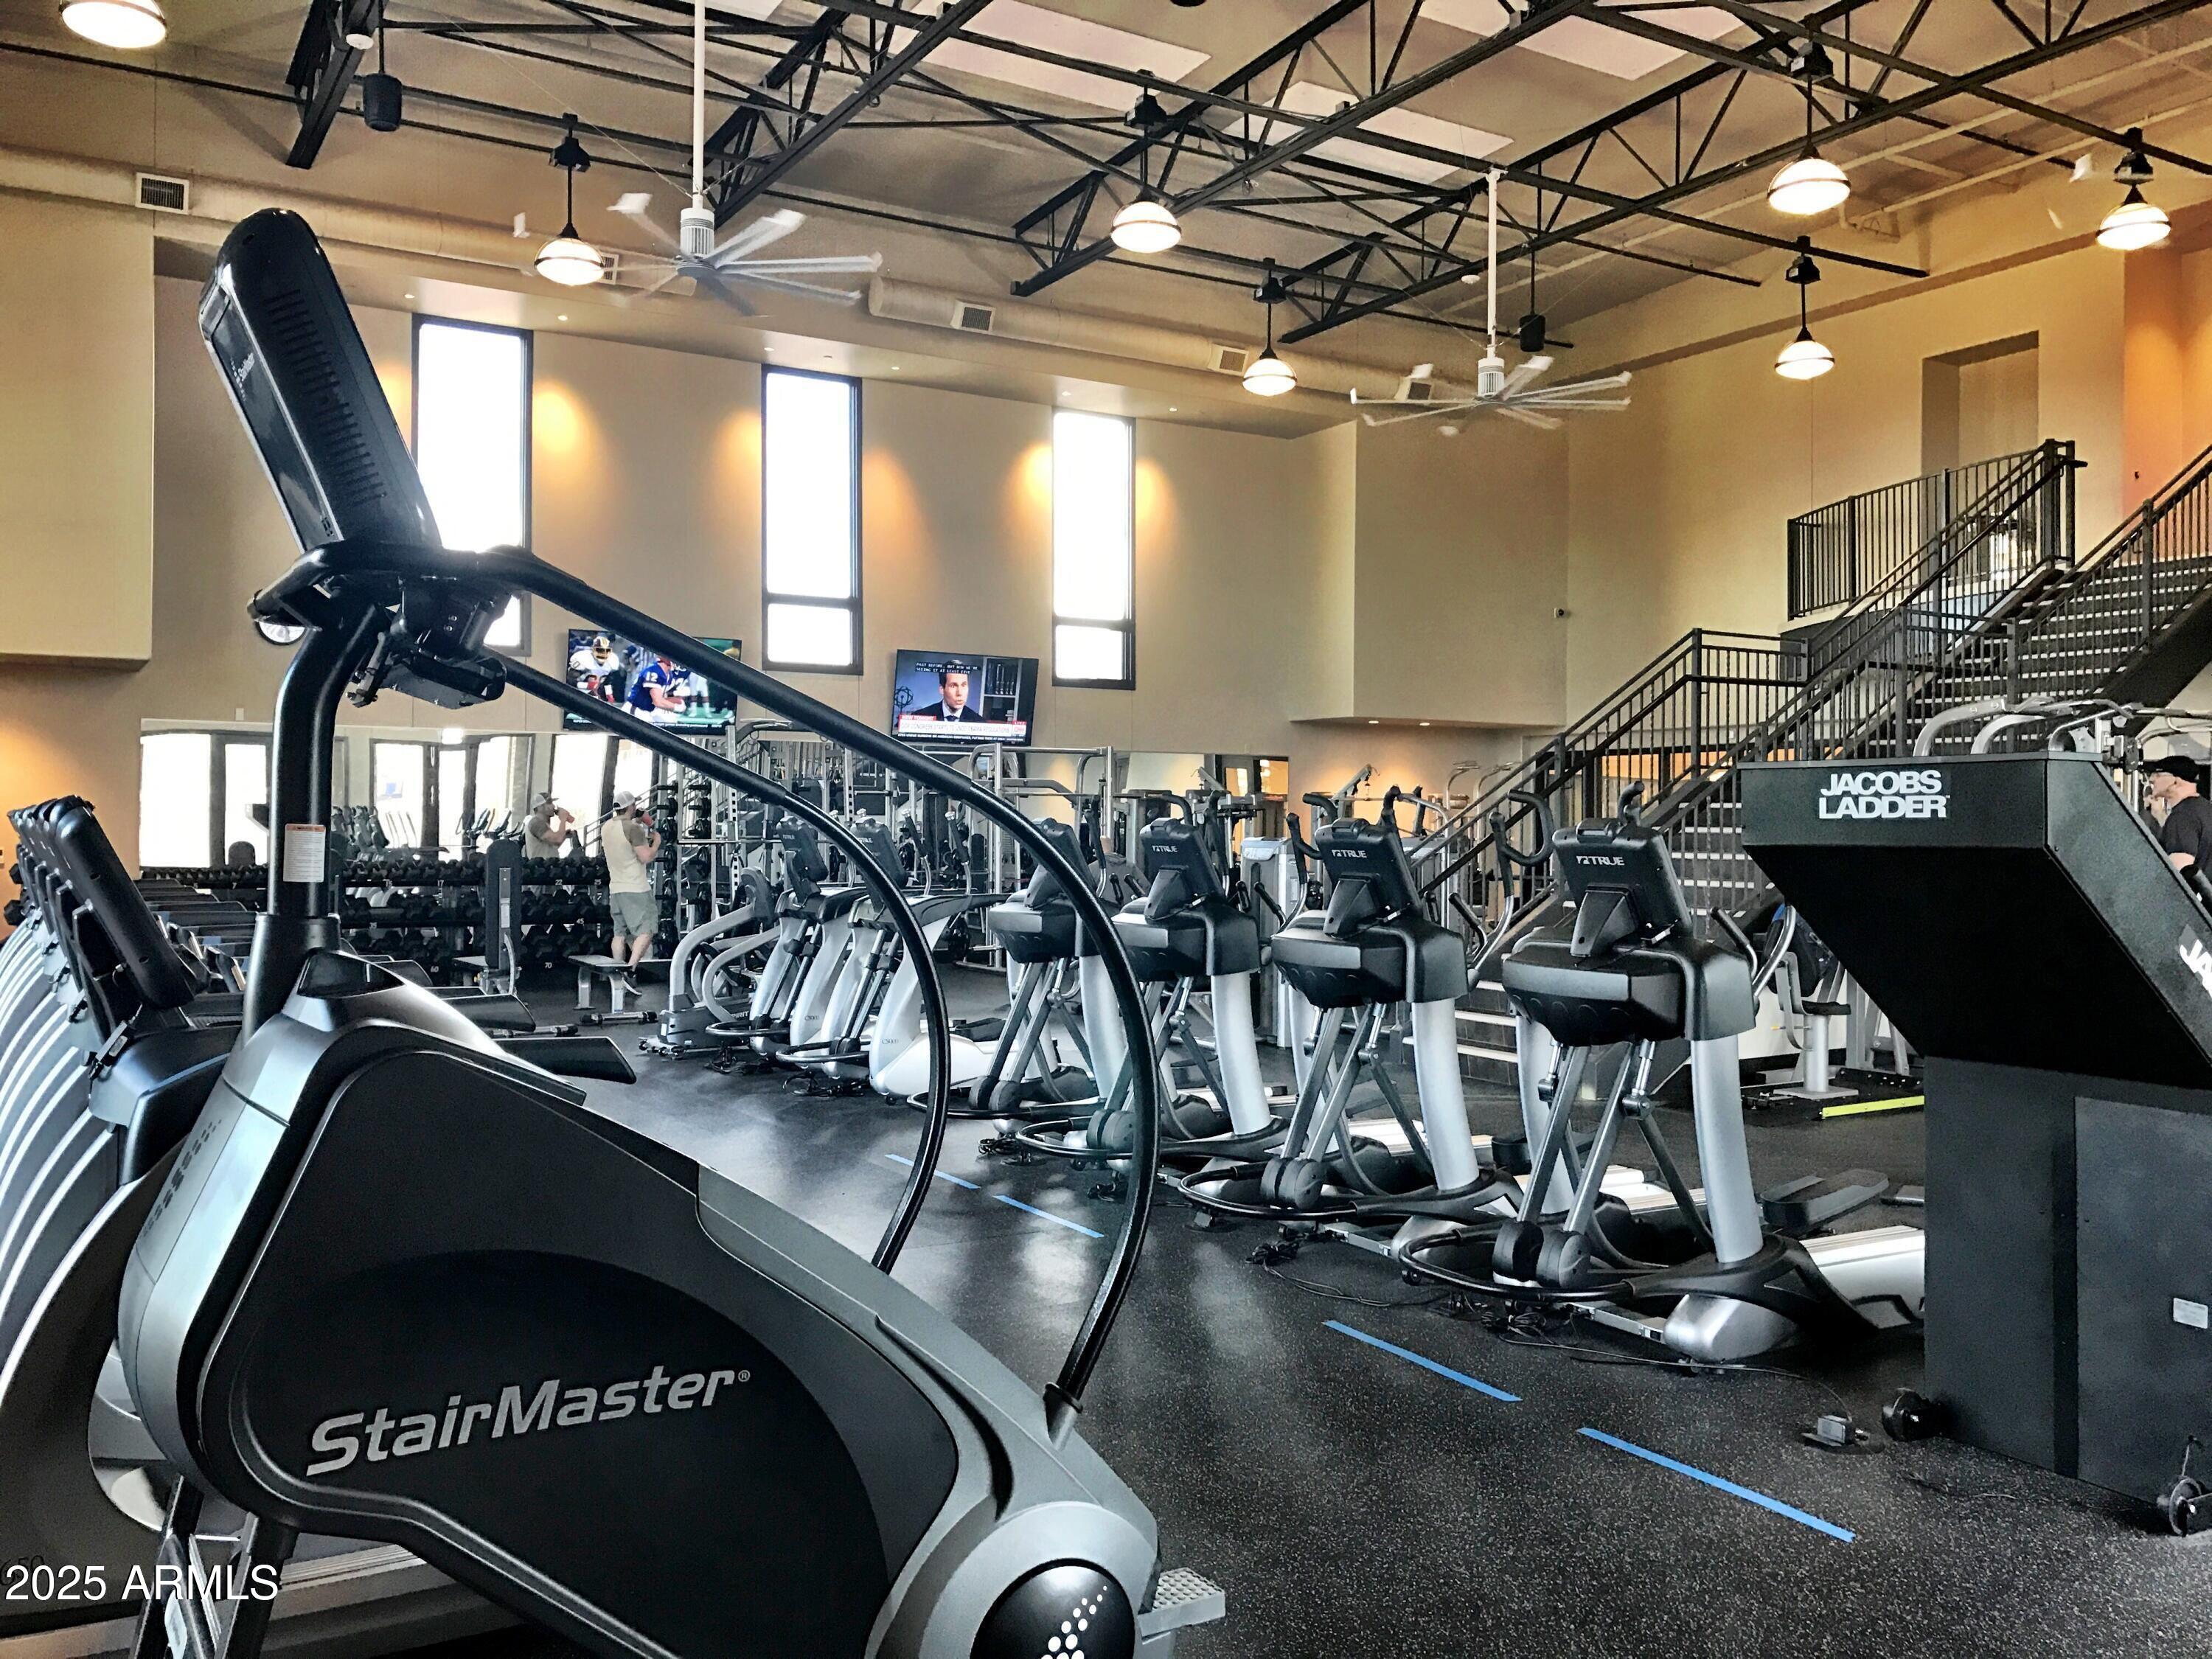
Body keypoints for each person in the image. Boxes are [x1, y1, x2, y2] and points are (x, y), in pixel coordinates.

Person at [599, 790, 661, 983]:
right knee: (647, 930)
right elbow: (646, 857)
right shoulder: (633, 829)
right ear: (631, 807)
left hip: (616, 889)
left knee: (620, 933)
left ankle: (617, 974)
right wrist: (656, 842)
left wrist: (641, 823)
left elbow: (624, 843)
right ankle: (630, 969)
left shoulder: (606, 827)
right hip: (636, 889)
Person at [2146, 755, 2212, 877]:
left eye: (2158, 775)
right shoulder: (2204, 809)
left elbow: (2180, 874)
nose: (2151, 779)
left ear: (2175, 782)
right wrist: (2161, 817)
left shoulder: (2182, 816)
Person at [625, 653, 692, 726]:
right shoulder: (654, 671)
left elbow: (661, 697)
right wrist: (676, 708)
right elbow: (657, 701)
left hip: (647, 711)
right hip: (636, 711)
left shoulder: (667, 674)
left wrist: (674, 701)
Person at [913, 666, 984, 723]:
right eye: (953, 686)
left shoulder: (979, 722)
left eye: (963, 685)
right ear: (942, 689)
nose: (959, 693)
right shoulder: (919, 717)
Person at [523, 793, 574, 859]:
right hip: (540, 864)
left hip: (549, 864)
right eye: (549, 803)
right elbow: (557, 840)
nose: (553, 806)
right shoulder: (536, 823)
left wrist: (564, 835)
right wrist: (563, 819)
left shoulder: (544, 823)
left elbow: (553, 845)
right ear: (540, 807)